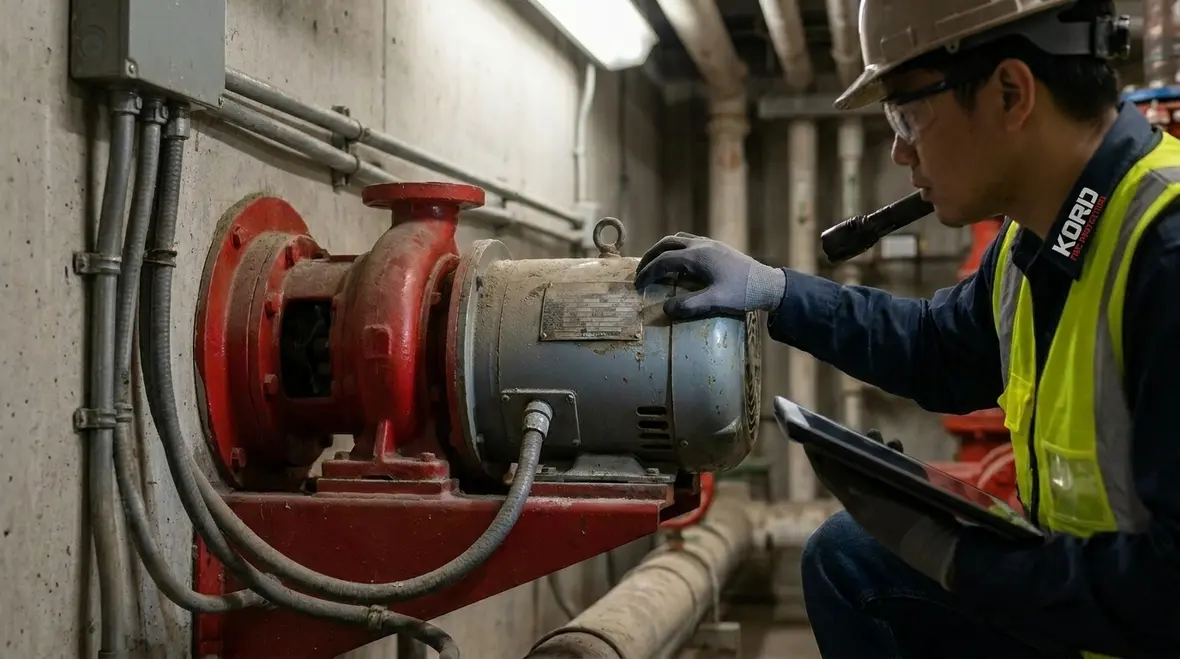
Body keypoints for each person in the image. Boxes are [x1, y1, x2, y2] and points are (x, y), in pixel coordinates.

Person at [633, 1, 1180, 657]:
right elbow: (937, 349)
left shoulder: (1166, 254)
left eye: (908, 114)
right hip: (1094, 613)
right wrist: (775, 293)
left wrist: (963, 561)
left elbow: (1170, 586)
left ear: (1011, 93)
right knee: (849, 558)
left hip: (1149, 622)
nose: (899, 151)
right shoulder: (1029, 240)